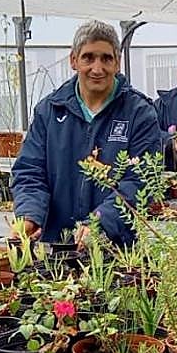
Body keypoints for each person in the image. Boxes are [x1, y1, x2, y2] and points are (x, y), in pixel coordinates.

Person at [11, 20, 161, 245]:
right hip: (56, 246)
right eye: (88, 57)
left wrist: (101, 222)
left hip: (115, 249)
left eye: (106, 58)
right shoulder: (50, 111)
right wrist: (30, 215)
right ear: (74, 60)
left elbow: (140, 181)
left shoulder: (139, 114)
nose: (97, 68)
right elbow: (30, 171)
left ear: (117, 63)